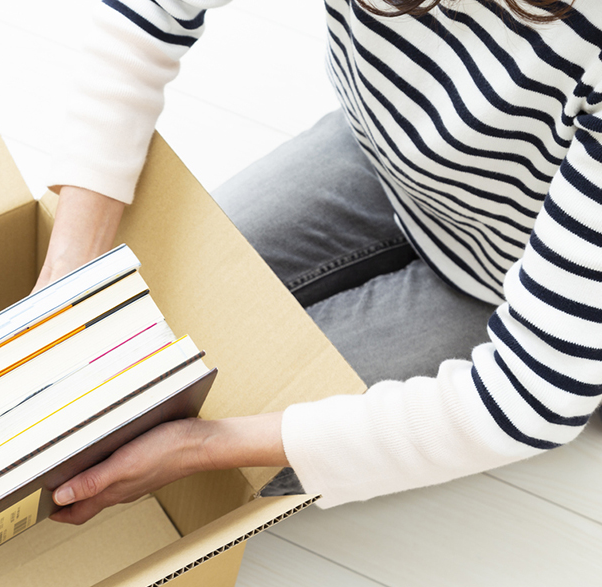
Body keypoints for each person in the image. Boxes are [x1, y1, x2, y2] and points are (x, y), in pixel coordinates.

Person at [40, 0, 602, 526]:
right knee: (142, 320)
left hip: (517, 280)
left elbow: (533, 398)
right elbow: (148, 12)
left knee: (222, 451)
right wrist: (68, 274)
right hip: (380, 155)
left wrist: (198, 447)